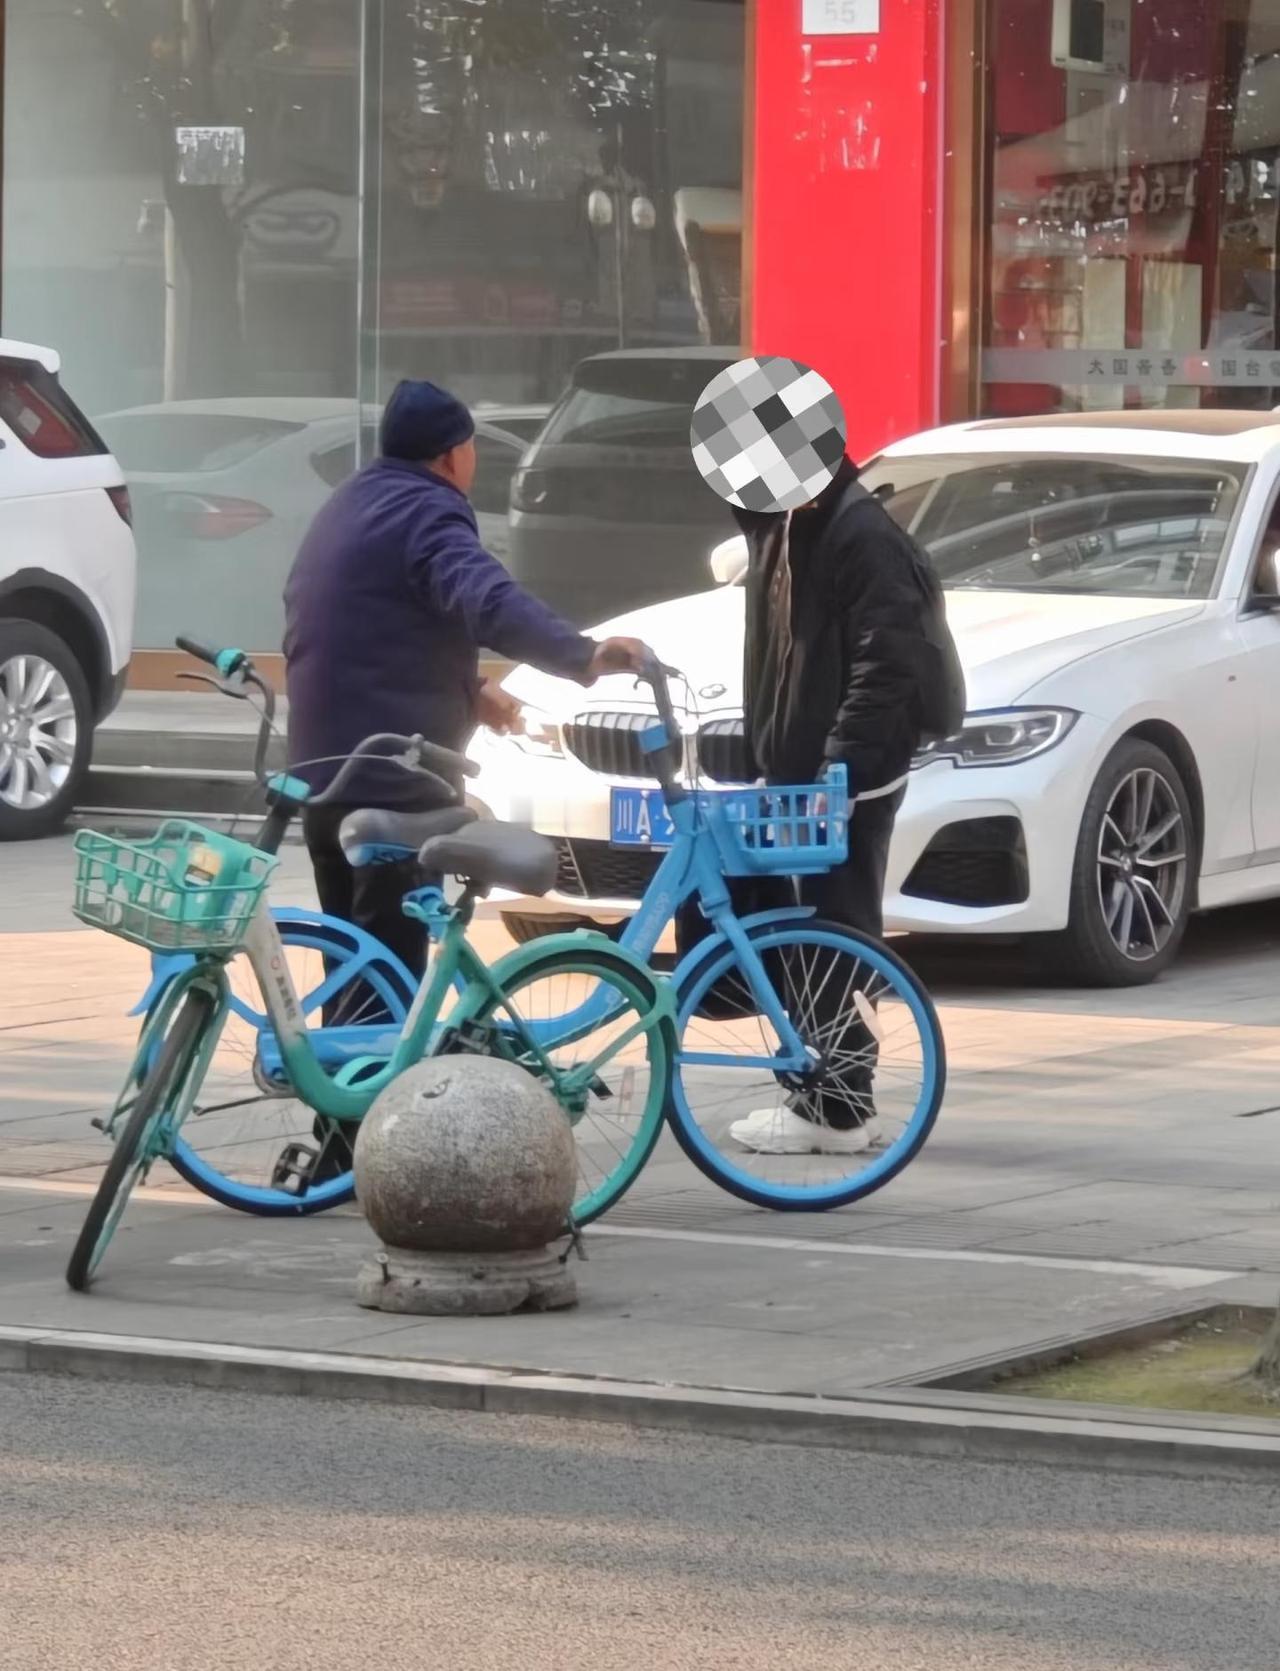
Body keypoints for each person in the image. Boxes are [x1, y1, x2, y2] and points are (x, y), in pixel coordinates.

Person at [283, 377, 649, 980]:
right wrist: (581, 655)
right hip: (392, 776)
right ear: (453, 454)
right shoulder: (428, 512)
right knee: (389, 982)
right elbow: (485, 597)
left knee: (353, 967)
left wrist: (470, 692)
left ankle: (344, 1066)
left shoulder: (352, 503)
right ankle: (380, 1072)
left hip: (323, 776)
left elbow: (367, 626)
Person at [725, 455, 964, 1156]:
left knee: (839, 924)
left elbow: (888, 657)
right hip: (808, 769)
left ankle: (840, 1105)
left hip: (850, 772)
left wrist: (841, 766)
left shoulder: (859, 533)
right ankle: (823, 1093)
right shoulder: (793, 526)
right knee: (811, 926)